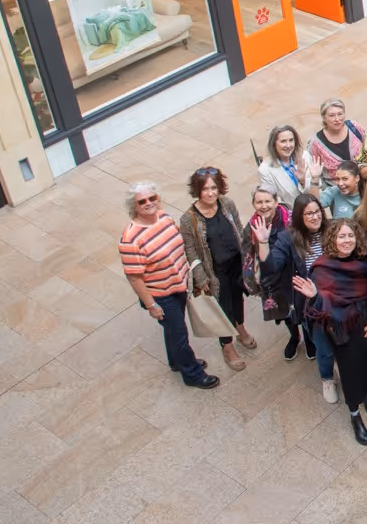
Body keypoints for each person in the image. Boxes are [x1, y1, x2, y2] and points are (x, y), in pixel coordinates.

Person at [292, 214, 367, 445]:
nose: (346, 240)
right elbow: (319, 306)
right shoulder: (321, 267)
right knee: (349, 369)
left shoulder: (365, 261)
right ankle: (354, 414)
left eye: (350, 235)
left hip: (366, 321)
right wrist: (316, 297)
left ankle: (366, 392)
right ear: (333, 239)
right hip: (340, 326)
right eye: (341, 236)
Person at [119, 183, 219, 389]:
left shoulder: (164, 217)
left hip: (179, 285)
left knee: (173, 330)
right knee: (180, 333)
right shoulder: (131, 239)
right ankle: (192, 374)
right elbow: (135, 278)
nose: (149, 203)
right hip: (161, 294)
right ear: (134, 206)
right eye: (142, 201)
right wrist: (151, 306)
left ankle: (176, 362)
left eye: (152, 198)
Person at [178, 167, 254, 371]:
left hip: (236, 264)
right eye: (205, 189)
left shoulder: (227, 204)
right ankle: (227, 346)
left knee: (238, 300)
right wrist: (202, 279)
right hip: (215, 272)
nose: (211, 193)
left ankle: (241, 329)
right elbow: (191, 251)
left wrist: (248, 257)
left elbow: (238, 229)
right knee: (223, 309)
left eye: (214, 187)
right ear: (197, 191)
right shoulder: (189, 219)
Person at [257, 194, 323, 366]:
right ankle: (302, 338)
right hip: (304, 294)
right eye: (308, 214)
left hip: (328, 293)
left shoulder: (331, 230)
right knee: (306, 322)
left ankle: (313, 343)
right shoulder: (288, 238)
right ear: (299, 217)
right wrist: (263, 243)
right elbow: (271, 267)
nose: (315, 217)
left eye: (317, 212)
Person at [240, 186, 290, 324]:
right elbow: (247, 255)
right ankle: (294, 337)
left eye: (268, 201)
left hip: (291, 269)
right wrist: (250, 281)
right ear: (253, 204)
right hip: (271, 273)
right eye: (259, 202)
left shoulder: (289, 217)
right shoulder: (251, 226)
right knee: (282, 311)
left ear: (276, 201)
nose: (264, 206)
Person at [308, 98, 365, 187]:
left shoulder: (354, 128)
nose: (337, 119)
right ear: (324, 118)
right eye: (332, 115)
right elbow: (316, 174)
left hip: (362, 186)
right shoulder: (316, 143)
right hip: (336, 192)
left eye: (340, 114)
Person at [258, 124, 313, 207]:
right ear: (274, 144)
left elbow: (317, 189)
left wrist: (303, 181)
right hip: (289, 216)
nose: (288, 145)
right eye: (283, 141)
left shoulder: (305, 156)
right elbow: (274, 201)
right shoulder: (265, 169)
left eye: (291, 140)